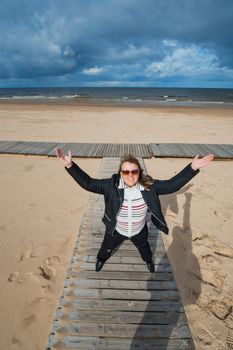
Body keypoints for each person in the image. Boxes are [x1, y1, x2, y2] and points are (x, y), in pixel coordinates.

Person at [56, 148, 214, 272]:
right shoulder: (111, 186)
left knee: (145, 248)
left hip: (139, 230)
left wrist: (193, 167)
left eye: (134, 171)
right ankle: (101, 259)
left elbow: (172, 185)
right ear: (120, 172)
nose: (130, 175)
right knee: (106, 247)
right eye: (126, 171)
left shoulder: (149, 187)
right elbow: (88, 183)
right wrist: (70, 165)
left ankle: (148, 260)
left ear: (139, 172)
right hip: (116, 230)